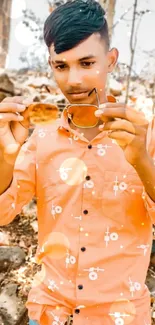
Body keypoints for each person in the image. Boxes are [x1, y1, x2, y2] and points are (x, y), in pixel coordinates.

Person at [0, 0, 155, 324]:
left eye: (87, 63)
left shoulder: (146, 136)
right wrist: (5, 157)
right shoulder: (40, 139)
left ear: (110, 60)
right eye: (61, 66)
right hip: (48, 314)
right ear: (51, 65)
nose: (73, 80)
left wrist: (141, 160)